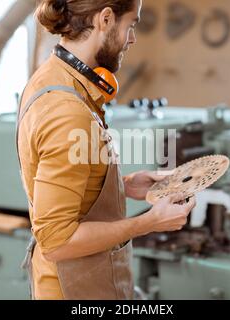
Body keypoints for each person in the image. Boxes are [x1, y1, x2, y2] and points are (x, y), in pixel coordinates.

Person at [17, 0, 196, 300]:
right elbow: (57, 242)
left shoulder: (53, 78)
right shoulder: (67, 110)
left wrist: (122, 188)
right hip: (75, 292)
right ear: (106, 19)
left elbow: (73, 191)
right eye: (131, 24)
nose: (133, 38)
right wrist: (149, 222)